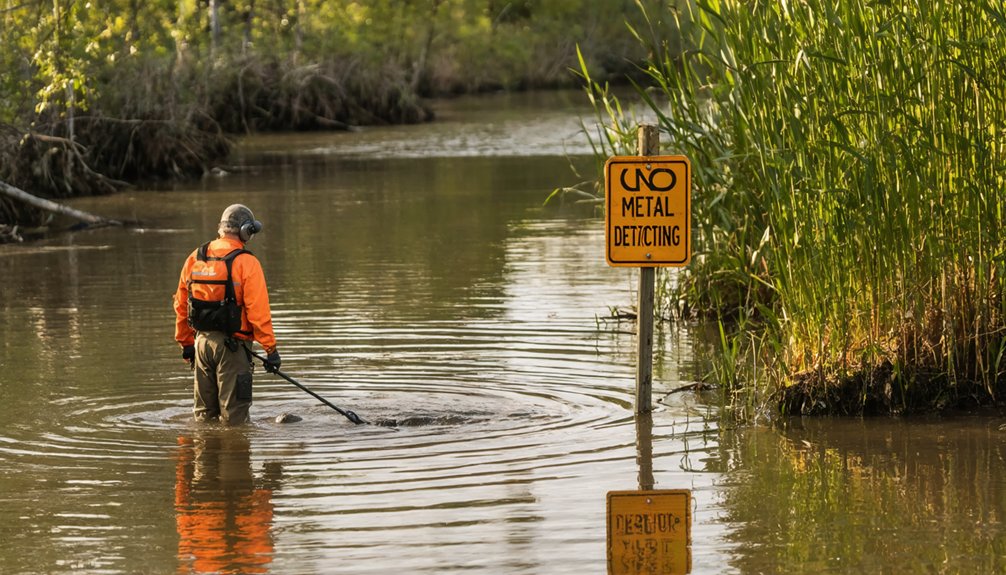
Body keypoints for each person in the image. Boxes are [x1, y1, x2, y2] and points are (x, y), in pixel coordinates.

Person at [173, 204, 280, 424]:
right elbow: (258, 312)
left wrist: (186, 345)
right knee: (235, 420)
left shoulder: (195, 257)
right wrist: (270, 350)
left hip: (201, 345)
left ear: (221, 227)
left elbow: (181, 305)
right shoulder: (247, 262)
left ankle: (205, 455)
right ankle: (235, 456)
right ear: (245, 230)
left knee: (203, 418)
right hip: (233, 348)